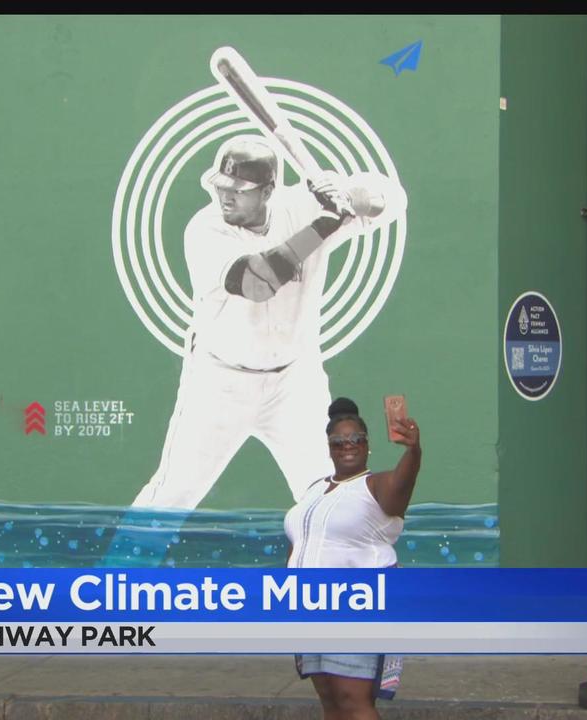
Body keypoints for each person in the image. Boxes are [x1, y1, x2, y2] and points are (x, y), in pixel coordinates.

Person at [131, 136, 394, 511]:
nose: (226, 197)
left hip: (294, 383)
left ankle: (339, 571)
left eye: (239, 190)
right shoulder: (204, 230)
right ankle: (118, 571)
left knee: (330, 499)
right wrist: (324, 225)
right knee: (171, 497)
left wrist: (351, 196)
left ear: (269, 190)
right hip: (221, 383)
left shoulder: (302, 206)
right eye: (221, 187)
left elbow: (390, 200)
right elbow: (259, 282)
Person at [285, 397, 421, 718]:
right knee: (330, 700)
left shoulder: (375, 486)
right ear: (330, 448)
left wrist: (413, 452)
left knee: (353, 700)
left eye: (356, 439)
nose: (349, 445)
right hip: (310, 606)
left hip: (354, 605)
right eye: (340, 441)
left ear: (367, 445)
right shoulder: (315, 489)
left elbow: (403, 483)